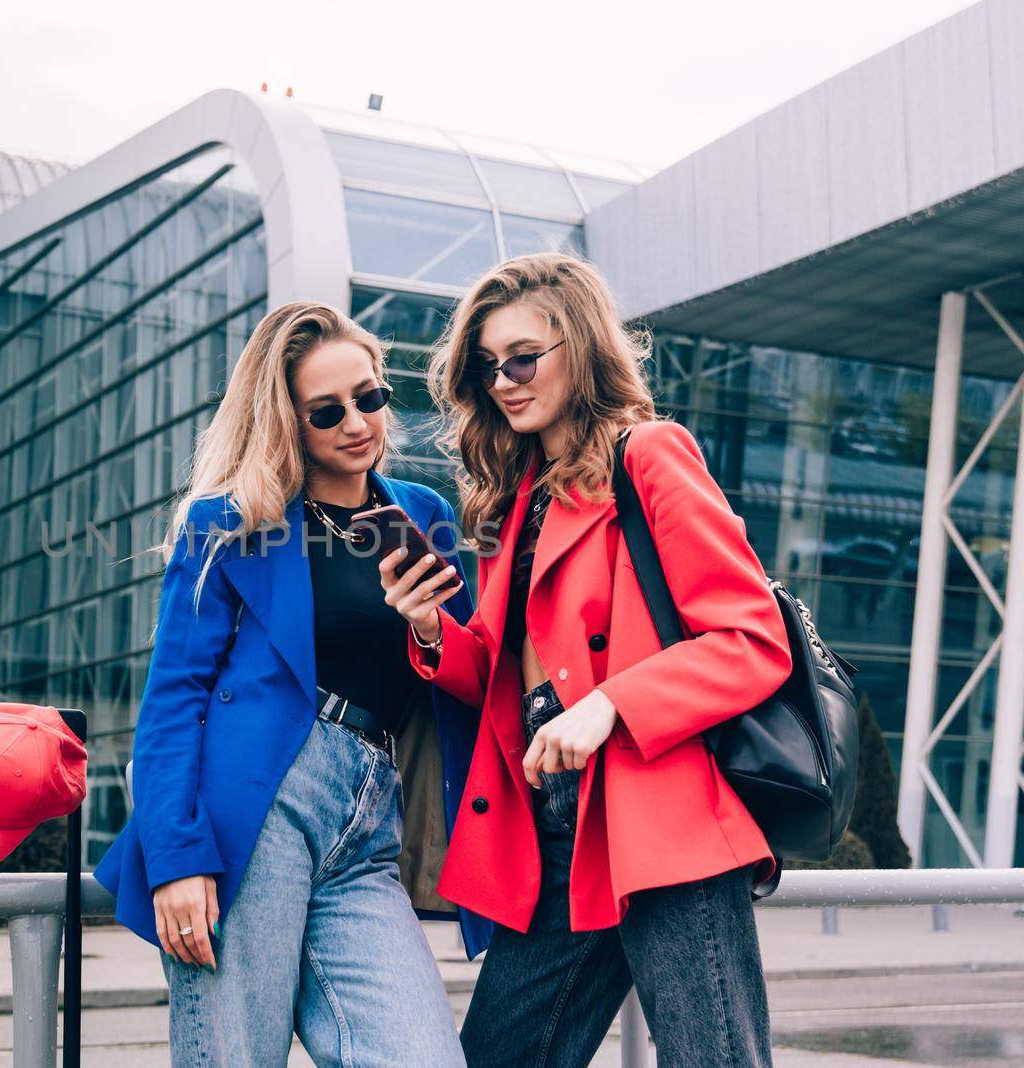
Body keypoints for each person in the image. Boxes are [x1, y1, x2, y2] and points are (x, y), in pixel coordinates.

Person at [379, 252, 791, 1068]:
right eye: (487, 365)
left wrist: (610, 706)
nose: (504, 380)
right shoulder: (512, 495)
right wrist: (428, 628)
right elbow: (500, 675)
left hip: (654, 811)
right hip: (552, 825)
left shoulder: (650, 456)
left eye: (524, 357)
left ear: (582, 346)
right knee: (500, 1054)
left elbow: (751, 638)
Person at [94, 300, 491, 1066]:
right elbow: (175, 696)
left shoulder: (422, 515)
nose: (357, 422)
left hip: (373, 823)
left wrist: (431, 630)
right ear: (285, 420)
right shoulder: (234, 522)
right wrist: (176, 856)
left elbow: (471, 680)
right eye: (326, 410)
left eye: (370, 397)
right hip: (256, 808)